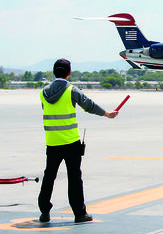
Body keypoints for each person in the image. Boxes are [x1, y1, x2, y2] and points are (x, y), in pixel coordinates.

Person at [38, 58, 118, 223]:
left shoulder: (43, 93)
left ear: (54, 72)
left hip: (52, 141)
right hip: (70, 142)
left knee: (49, 176)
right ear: (68, 73)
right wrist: (107, 114)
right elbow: (88, 105)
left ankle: (44, 212)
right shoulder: (71, 90)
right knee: (74, 177)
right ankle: (79, 214)